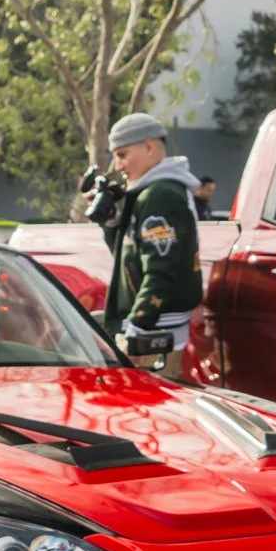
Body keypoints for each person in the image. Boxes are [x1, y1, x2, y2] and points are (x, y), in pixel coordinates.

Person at [93, 112, 202, 381]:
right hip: (150, 329)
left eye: (122, 154)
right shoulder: (147, 193)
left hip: (155, 335)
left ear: (149, 147)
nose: (117, 166)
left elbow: (162, 271)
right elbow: (127, 258)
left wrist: (138, 327)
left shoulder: (161, 195)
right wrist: (110, 221)